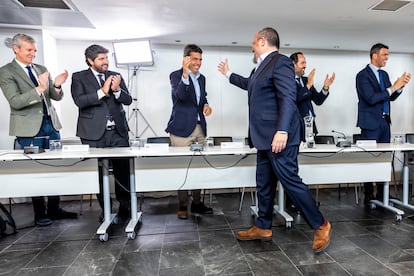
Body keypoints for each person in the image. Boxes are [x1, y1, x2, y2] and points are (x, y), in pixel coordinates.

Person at [217, 27, 331, 253]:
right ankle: (263, 225)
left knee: (290, 180)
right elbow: (250, 85)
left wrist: (282, 131)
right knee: (264, 183)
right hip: (263, 137)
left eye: (253, 42)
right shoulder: (260, 67)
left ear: (261, 41)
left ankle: (321, 225)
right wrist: (228, 74)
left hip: (280, 136)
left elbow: (288, 97)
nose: (251, 47)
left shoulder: (280, 62)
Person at [0, 33, 77, 226]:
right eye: (29, 50)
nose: (33, 53)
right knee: (35, 169)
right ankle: (39, 213)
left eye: (35, 50)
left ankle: (55, 209)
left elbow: (56, 97)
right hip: (28, 130)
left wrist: (57, 84)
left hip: (51, 126)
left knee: (57, 166)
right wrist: (39, 88)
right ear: (15, 49)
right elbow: (16, 102)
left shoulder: (41, 68)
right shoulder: (6, 71)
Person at [71, 44, 132, 220]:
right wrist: (102, 92)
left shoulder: (115, 76)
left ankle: (126, 207)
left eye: (106, 58)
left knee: (123, 172)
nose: (106, 62)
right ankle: (105, 209)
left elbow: (127, 100)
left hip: (118, 133)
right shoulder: (79, 77)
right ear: (90, 61)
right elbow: (80, 101)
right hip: (93, 134)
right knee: (98, 173)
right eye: (101, 59)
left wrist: (117, 90)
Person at [356, 43, 411, 204]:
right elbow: (371, 98)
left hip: (385, 123)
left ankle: (382, 193)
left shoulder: (384, 74)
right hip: (370, 123)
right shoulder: (362, 75)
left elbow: (389, 96)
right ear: (374, 55)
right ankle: (368, 194)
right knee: (369, 159)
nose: (387, 58)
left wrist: (400, 87)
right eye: (384, 54)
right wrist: (393, 87)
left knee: (384, 159)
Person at [165, 44, 213, 219]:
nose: (198, 63)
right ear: (186, 59)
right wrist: (185, 74)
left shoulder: (202, 78)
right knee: (183, 167)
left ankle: (197, 203)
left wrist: (206, 105)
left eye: (200, 59)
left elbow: (202, 97)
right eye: (195, 59)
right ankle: (182, 205)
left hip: (200, 127)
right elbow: (181, 96)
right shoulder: (175, 75)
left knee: (198, 167)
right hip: (181, 129)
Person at [289, 52, 335, 134]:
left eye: (305, 63)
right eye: (302, 63)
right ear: (293, 64)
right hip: (297, 127)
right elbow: (294, 99)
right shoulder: (287, 81)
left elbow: (318, 101)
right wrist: (308, 86)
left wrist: (325, 87)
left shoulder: (306, 80)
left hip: (311, 126)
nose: (305, 66)